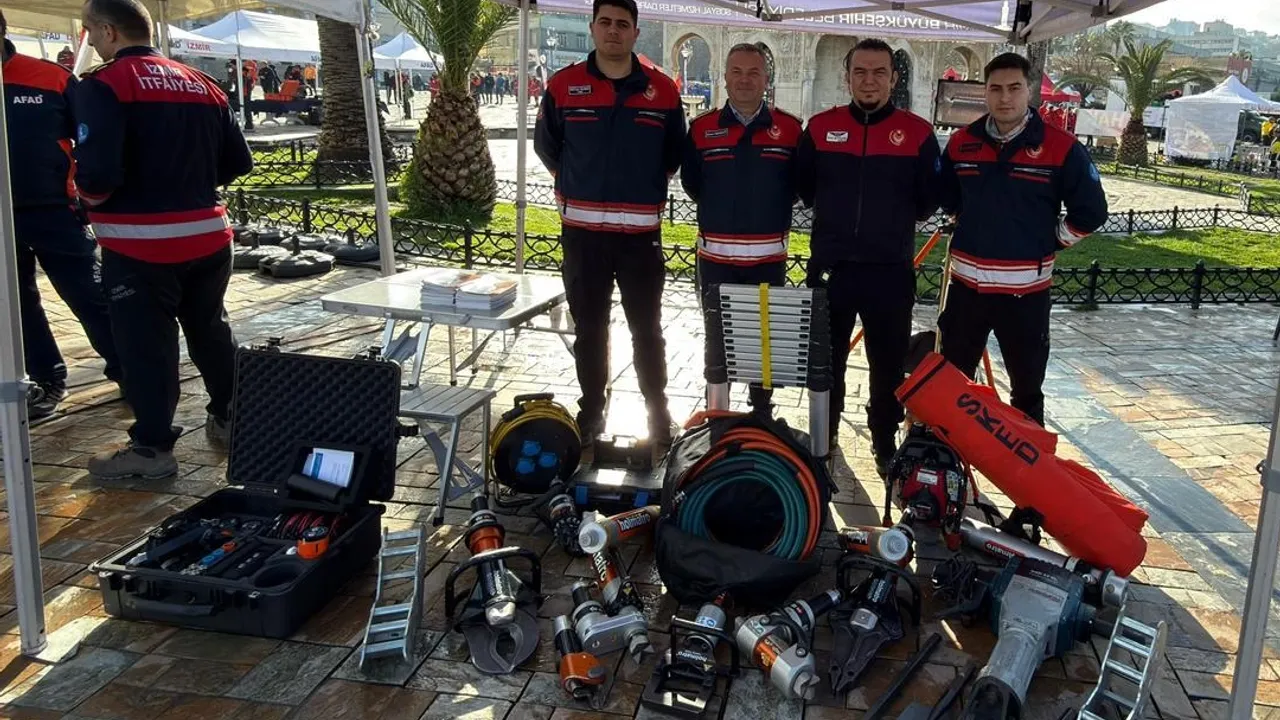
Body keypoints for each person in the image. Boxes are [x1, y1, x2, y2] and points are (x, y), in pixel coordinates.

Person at [74, 0, 254, 480]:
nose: (90, 41)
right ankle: (233, 417)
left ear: (109, 31)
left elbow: (97, 173)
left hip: (140, 244)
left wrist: (89, 201)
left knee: (146, 346)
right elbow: (239, 162)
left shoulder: (105, 84)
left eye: (90, 31)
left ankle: (152, 448)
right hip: (208, 235)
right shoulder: (202, 83)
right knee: (210, 329)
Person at [534, 0, 684, 443]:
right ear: (593, 27)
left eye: (622, 24)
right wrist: (577, 182)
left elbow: (674, 153)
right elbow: (547, 146)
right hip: (583, 237)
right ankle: (592, 412)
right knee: (590, 330)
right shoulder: (564, 86)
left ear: (635, 31)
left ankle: (657, 412)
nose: (613, 31)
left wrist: (641, 186)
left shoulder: (663, 90)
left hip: (640, 237)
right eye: (605, 22)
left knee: (647, 330)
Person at [795, 38, 941, 475]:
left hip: (889, 271)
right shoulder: (820, 128)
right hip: (832, 269)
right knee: (826, 361)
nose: (869, 80)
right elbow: (805, 188)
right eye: (860, 71)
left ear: (894, 78)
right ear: (848, 78)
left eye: (879, 72)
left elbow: (927, 202)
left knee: (887, 365)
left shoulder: (918, 134)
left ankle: (883, 439)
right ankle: (825, 435)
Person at [938, 52, 1107, 426]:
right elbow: (949, 198)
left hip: (1025, 296)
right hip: (966, 292)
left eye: (1014, 88)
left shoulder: (1061, 147)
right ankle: (952, 458)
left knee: (1027, 391)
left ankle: (1030, 459)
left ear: (1029, 90)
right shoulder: (961, 143)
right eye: (995, 89)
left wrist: (1051, 242)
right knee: (954, 385)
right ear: (985, 92)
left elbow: (1092, 212)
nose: (1004, 97)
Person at [1, 10, 120, 421]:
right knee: (16, 304)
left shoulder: (49, 77)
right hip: (2, 219)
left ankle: (129, 370)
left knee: (90, 294)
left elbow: (92, 137)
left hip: (54, 210)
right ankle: (46, 378)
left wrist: (86, 192)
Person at [683, 43, 802, 417]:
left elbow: (799, 185)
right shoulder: (702, 129)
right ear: (725, 77)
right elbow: (692, 183)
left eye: (754, 72)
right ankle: (717, 411)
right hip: (716, 259)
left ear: (767, 79)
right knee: (717, 337)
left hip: (767, 259)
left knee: (763, 338)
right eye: (737, 71)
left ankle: (761, 411)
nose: (745, 80)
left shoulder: (790, 130)